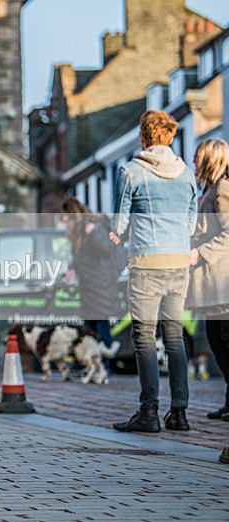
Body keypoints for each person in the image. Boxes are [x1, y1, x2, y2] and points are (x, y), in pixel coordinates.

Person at [111, 110, 197, 433]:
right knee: (174, 337)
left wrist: (121, 233)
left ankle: (148, 411)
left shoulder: (131, 172)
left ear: (143, 137)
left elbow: (119, 223)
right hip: (178, 262)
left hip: (147, 262)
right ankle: (179, 413)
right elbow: (190, 225)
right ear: (170, 137)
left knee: (144, 336)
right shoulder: (187, 175)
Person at [187, 139, 229, 421]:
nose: (193, 162)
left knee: (223, 340)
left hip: (222, 280)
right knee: (217, 341)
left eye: (197, 157)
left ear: (210, 160)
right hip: (214, 282)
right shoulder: (210, 189)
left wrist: (200, 252)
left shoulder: (223, 189)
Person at [61, 196, 120, 376]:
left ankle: (105, 366)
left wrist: (93, 233)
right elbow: (80, 257)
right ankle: (92, 365)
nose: (64, 219)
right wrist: (72, 269)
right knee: (89, 328)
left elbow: (106, 250)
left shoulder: (94, 226)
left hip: (101, 285)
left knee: (101, 327)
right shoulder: (78, 232)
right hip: (88, 286)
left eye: (66, 216)